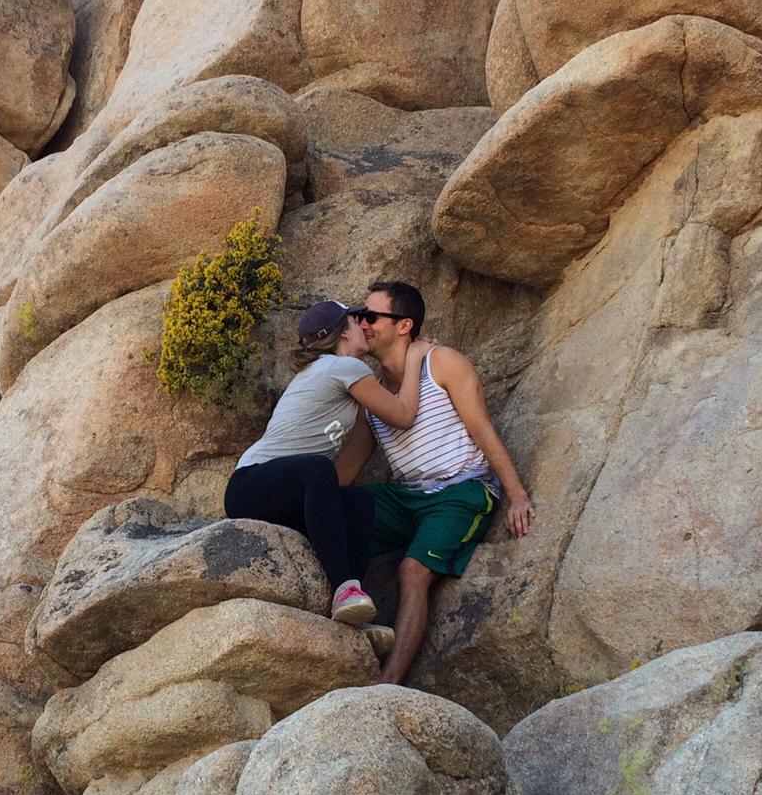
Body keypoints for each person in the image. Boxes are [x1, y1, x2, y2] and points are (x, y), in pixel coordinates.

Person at [341, 280, 533, 685]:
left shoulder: (441, 362)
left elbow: (481, 428)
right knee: (342, 514)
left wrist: (515, 495)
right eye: (360, 316)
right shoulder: (371, 388)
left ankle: (385, 686)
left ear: (404, 324)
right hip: (405, 495)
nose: (363, 323)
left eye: (371, 316)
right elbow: (349, 469)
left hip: (459, 491)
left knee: (412, 571)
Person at [224, 298, 433, 627]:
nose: (364, 324)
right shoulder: (343, 368)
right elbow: (404, 415)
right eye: (358, 318)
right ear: (343, 332)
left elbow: (343, 476)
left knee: (358, 501)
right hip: (250, 487)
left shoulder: (334, 375)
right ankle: (344, 589)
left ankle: (352, 613)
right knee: (316, 469)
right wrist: (417, 358)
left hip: (282, 495)